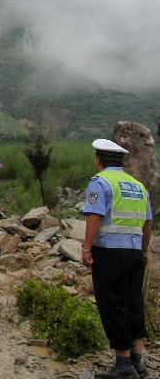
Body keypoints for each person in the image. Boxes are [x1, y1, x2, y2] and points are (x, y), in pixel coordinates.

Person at [82, 138, 152, 379]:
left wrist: (86, 249)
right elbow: (148, 223)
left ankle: (123, 365)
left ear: (99, 160)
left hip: (109, 253)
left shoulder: (100, 182)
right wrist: (143, 251)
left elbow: (94, 218)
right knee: (134, 302)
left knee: (113, 303)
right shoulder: (138, 186)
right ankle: (138, 362)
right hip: (134, 253)